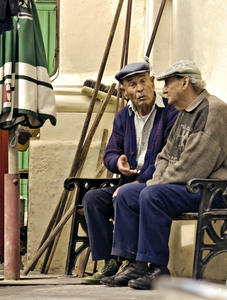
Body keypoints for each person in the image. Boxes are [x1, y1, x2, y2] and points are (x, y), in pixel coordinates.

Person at [101, 60, 227, 290]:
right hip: (186, 186)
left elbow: (193, 167)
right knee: (127, 194)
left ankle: (157, 268)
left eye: (168, 83)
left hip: (213, 190)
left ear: (185, 82)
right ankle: (134, 263)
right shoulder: (185, 113)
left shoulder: (214, 111)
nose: (163, 90)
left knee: (152, 195)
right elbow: (164, 156)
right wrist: (154, 183)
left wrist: (154, 186)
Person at [81, 61, 178, 284]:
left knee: (125, 195)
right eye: (132, 85)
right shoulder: (124, 116)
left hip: (157, 182)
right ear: (124, 91)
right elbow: (110, 153)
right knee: (92, 199)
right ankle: (111, 262)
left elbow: (167, 157)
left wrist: (138, 182)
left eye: (143, 81)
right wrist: (118, 162)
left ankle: (130, 261)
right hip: (129, 183)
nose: (140, 89)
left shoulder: (170, 113)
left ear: (152, 82)